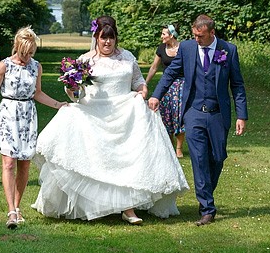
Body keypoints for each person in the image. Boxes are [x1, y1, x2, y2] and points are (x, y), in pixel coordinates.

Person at [32, 16, 189, 225]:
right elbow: (77, 95)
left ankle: (128, 208)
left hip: (125, 111)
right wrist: (72, 90)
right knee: (94, 156)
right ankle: (92, 205)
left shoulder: (127, 57)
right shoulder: (85, 60)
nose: (107, 42)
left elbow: (139, 82)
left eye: (111, 38)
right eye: (102, 38)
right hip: (95, 113)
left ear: (116, 38)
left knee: (127, 159)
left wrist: (142, 92)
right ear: (96, 38)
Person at [149, 14, 247, 226]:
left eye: (200, 36)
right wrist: (157, 94)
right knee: (199, 159)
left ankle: (205, 191)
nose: (197, 40)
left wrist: (242, 115)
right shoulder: (187, 48)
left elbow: (237, 85)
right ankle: (207, 208)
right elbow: (170, 73)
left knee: (217, 157)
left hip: (218, 113)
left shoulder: (228, 50)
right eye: (194, 35)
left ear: (212, 33)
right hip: (193, 112)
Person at [0, 27, 66, 229]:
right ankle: (10, 211)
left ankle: (17, 207)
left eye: (31, 52)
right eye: (25, 52)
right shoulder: (4, 66)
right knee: (9, 163)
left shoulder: (36, 67)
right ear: (17, 47)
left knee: (24, 163)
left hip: (28, 115)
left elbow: (38, 93)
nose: (28, 57)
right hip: (8, 114)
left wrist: (57, 104)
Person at [145, 24, 185, 157]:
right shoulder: (161, 48)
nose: (161, 36)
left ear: (172, 35)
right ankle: (170, 145)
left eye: (164, 34)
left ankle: (179, 148)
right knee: (166, 116)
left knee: (179, 116)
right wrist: (145, 84)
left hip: (181, 86)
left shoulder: (183, 48)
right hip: (165, 87)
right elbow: (153, 68)